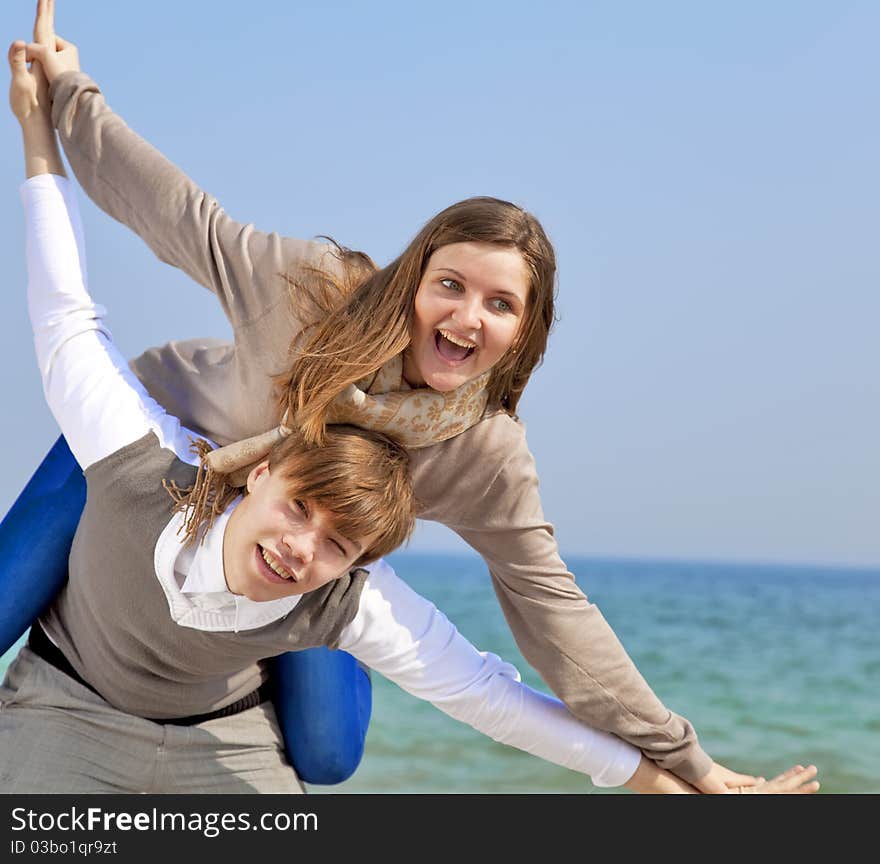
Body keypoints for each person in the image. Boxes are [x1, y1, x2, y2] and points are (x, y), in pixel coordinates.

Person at [5, 36, 823, 798]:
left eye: (501, 305)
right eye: (453, 286)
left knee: (328, 751)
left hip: (291, 552)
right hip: (144, 466)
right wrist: (66, 93)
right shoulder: (310, 294)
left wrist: (685, 760)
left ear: (524, 333)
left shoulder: (484, 454)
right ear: (414, 280)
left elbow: (551, 611)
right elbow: (176, 212)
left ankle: (229, 678)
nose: (468, 318)